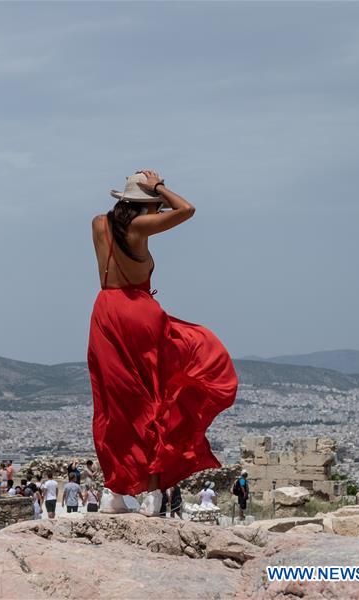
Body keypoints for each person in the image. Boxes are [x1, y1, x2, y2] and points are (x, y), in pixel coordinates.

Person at [88, 170, 238, 517]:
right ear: (148, 204)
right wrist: (159, 188)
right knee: (153, 400)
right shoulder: (140, 229)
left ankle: (114, 490)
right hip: (139, 316)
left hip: (104, 315)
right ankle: (152, 493)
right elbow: (187, 210)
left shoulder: (98, 223)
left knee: (113, 406)